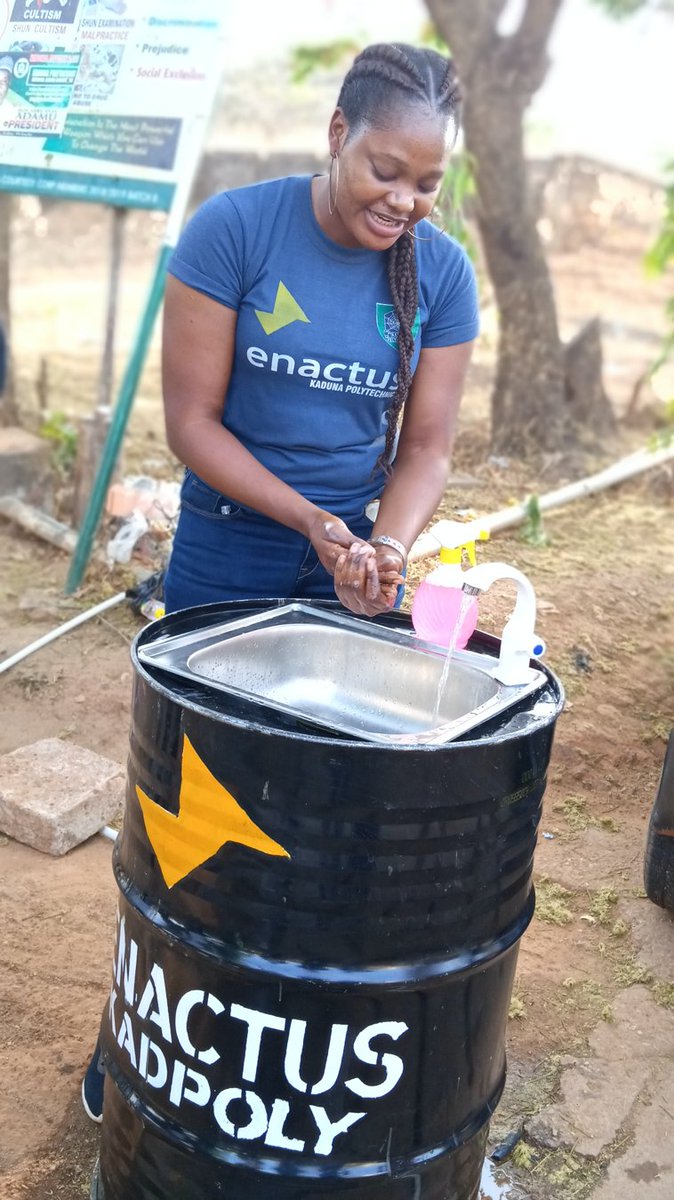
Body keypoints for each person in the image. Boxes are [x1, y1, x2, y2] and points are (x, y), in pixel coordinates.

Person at [82, 40, 479, 1123]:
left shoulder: (439, 274)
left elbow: (428, 446)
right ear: (336, 135)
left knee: (322, 827)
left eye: (427, 182)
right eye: (385, 170)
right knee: (187, 818)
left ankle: (273, 1050)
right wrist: (308, 519)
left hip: (346, 578)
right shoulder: (235, 230)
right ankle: (142, 1037)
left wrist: (383, 548)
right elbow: (190, 425)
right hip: (228, 555)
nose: (404, 199)